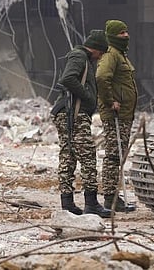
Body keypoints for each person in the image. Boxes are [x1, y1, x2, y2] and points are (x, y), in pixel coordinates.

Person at [50, 29, 111, 218]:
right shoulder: (79, 56)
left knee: (68, 156)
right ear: (95, 49)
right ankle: (91, 203)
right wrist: (86, 95)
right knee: (87, 156)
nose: (100, 57)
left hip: (67, 112)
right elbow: (68, 79)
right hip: (74, 112)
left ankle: (67, 203)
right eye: (100, 53)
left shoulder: (81, 57)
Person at [96, 19, 138, 212]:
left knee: (118, 155)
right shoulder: (111, 55)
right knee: (114, 154)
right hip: (115, 113)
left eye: (126, 32)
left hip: (124, 114)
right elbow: (102, 77)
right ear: (113, 36)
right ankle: (110, 198)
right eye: (122, 33)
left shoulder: (121, 55)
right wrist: (110, 100)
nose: (126, 36)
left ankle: (114, 197)